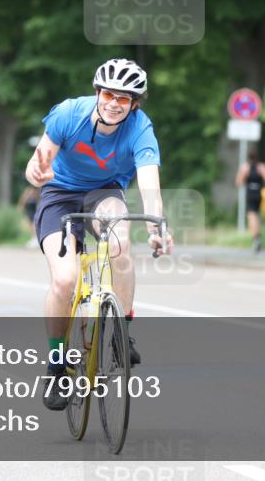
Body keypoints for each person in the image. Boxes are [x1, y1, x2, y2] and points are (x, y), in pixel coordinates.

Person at [25, 58, 173, 411]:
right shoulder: (68, 115)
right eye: (108, 94)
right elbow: (37, 164)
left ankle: (121, 330)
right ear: (97, 93)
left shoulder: (140, 128)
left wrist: (157, 225)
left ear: (134, 104)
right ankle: (57, 364)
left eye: (124, 99)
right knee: (64, 281)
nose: (113, 103)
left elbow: (148, 179)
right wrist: (36, 173)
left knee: (120, 246)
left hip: (105, 192)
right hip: (59, 194)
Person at [235, 150, 265, 253]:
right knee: (258, 215)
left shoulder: (245, 167)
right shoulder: (262, 167)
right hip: (260, 193)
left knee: (252, 216)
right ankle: (258, 237)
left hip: (251, 193)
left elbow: (238, 182)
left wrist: (246, 178)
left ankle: (255, 238)